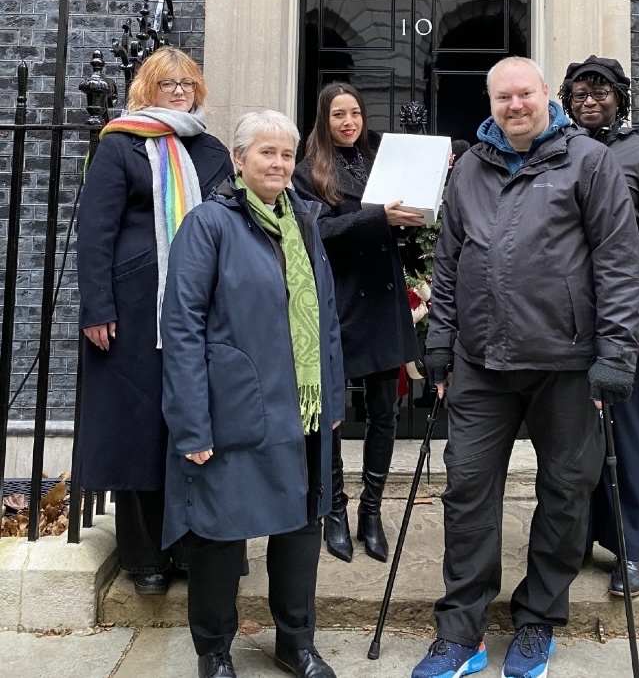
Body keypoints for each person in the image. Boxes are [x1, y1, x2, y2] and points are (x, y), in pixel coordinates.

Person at [411, 56, 639, 678]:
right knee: (465, 490)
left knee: (566, 492)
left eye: (524, 94)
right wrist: (440, 343)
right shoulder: (469, 171)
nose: (515, 106)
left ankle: (538, 618)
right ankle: (462, 631)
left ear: (547, 95)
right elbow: (449, 259)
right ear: (489, 104)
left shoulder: (589, 161)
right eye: (502, 97)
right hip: (481, 360)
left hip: (567, 363)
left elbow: (620, 261)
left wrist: (616, 355)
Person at [161, 110, 346, 678]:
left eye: (287, 154)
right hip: (233, 406)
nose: (279, 164)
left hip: (301, 409)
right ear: (239, 160)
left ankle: (296, 643)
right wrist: (191, 422)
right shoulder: (209, 224)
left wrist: (332, 401)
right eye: (266, 153)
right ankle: (213, 651)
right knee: (220, 531)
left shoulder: (306, 222)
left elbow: (327, 319)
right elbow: (182, 324)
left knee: (299, 527)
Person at [74, 47, 232, 595]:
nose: (180, 90)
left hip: (202, 304)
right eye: (168, 83)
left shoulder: (211, 150)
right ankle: (146, 558)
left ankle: (194, 547)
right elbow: (95, 230)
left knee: (196, 423)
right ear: (147, 88)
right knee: (141, 427)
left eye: (188, 82)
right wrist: (97, 306)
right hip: (136, 309)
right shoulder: (120, 145)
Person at [560, 54, 639, 599]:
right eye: (579, 93)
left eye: (600, 92)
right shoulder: (560, 152)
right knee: (574, 435)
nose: (589, 101)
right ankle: (582, 534)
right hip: (567, 322)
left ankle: (633, 545)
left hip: (628, 323)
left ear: (619, 98)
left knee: (626, 435)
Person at [292, 82, 423, 564]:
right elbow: (315, 232)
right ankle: (335, 511)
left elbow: (441, 156)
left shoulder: (381, 158)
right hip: (340, 301)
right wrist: (376, 218)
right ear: (323, 120)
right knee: (329, 414)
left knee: (384, 412)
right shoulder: (308, 173)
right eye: (338, 115)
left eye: (355, 114)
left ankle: (371, 511)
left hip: (383, 298)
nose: (349, 122)